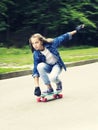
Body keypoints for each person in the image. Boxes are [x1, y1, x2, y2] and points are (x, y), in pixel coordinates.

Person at [29, 24, 85, 96]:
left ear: (41, 41)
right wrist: (37, 87)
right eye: (33, 43)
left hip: (57, 65)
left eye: (36, 42)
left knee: (53, 78)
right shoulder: (36, 54)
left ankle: (58, 83)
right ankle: (49, 88)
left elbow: (63, 37)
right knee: (39, 66)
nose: (35, 45)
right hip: (48, 66)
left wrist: (76, 30)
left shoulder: (52, 44)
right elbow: (35, 70)